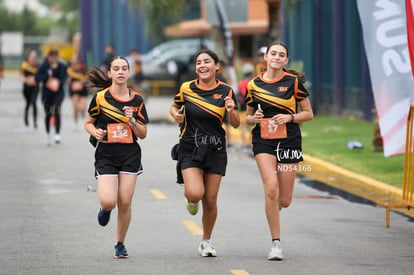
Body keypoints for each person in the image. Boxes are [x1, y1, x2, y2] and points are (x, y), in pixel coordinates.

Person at [245, 42, 313, 260]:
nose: (276, 57)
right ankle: (276, 243)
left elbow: (308, 113)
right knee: (271, 189)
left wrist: (289, 117)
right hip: (263, 140)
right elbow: (247, 117)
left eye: (281, 55)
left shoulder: (293, 83)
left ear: (286, 60)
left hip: (289, 140)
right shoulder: (253, 85)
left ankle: (275, 207)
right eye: (272, 53)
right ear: (265, 57)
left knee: (284, 200)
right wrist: (252, 118)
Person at [169, 49, 240, 257]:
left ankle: (206, 241)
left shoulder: (226, 91)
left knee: (210, 199)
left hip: (216, 148)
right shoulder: (186, 88)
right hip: (190, 146)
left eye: (207, 61)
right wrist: (176, 115)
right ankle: (190, 199)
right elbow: (174, 106)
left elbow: (235, 124)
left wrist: (232, 110)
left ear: (216, 66)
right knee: (196, 193)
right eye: (198, 62)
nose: (202, 65)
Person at [84, 56, 148, 258]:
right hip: (106, 154)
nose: (120, 72)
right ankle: (105, 209)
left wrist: (132, 121)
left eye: (124, 68)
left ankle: (120, 243)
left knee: (125, 202)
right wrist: (95, 133)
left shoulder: (137, 100)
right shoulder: (101, 98)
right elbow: (88, 122)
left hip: (129, 154)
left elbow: (143, 134)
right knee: (109, 201)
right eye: (116, 68)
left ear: (129, 73)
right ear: (110, 73)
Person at [35, 49, 68, 146]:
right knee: (48, 114)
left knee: (56, 110)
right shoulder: (43, 66)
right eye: (51, 57)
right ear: (48, 57)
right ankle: (47, 134)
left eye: (55, 57)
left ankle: (57, 134)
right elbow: (37, 77)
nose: (53, 59)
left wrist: (59, 81)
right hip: (47, 93)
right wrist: (47, 76)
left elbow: (65, 77)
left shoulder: (62, 66)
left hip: (58, 92)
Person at [67, 54, 88, 130]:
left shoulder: (82, 67)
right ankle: (75, 124)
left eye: (74, 59)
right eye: (72, 59)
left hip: (82, 89)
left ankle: (82, 111)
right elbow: (67, 80)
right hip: (74, 89)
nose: (73, 60)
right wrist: (68, 80)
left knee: (83, 107)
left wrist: (84, 80)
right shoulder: (69, 69)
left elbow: (87, 76)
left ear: (78, 60)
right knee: (75, 106)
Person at [19, 49, 39, 130]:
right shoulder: (25, 65)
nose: (33, 57)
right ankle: (26, 119)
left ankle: (35, 122)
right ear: (28, 56)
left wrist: (35, 79)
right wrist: (25, 80)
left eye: (35, 56)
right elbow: (20, 75)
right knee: (28, 103)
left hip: (35, 87)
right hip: (27, 87)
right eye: (32, 55)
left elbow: (40, 75)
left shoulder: (38, 65)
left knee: (33, 102)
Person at [237, 62, 255, 151]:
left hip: (243, 106)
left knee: (243, 126)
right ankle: (250, 142)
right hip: (251, 106)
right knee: (251, 126)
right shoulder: (253, 82)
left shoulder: (242, 82)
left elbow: (239, 94)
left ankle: (244, 143)